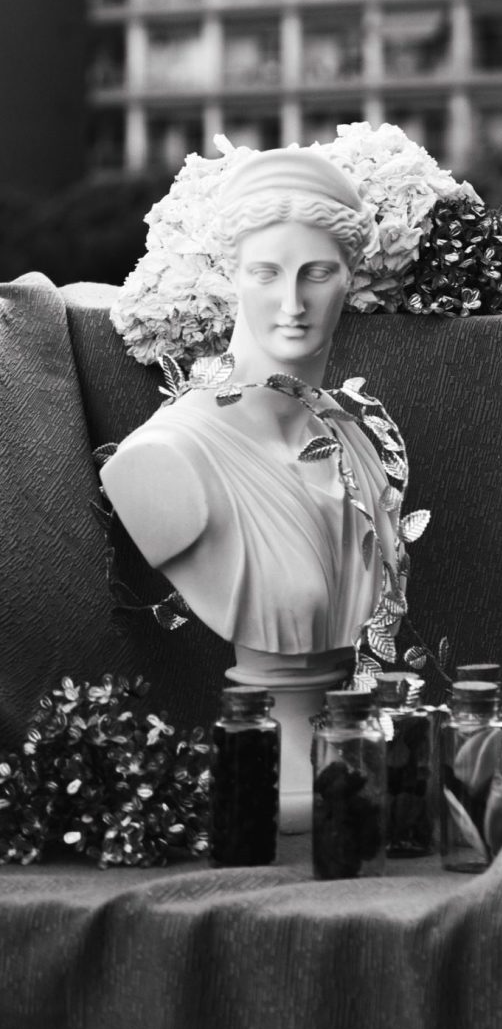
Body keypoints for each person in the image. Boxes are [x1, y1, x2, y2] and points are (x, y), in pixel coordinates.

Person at [99, 149, 397, 656]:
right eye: (266, 273)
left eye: (316, 273)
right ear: (232, 274)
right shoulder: (163, 457)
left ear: (351, 277)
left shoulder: (354, 441)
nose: (292, 304)